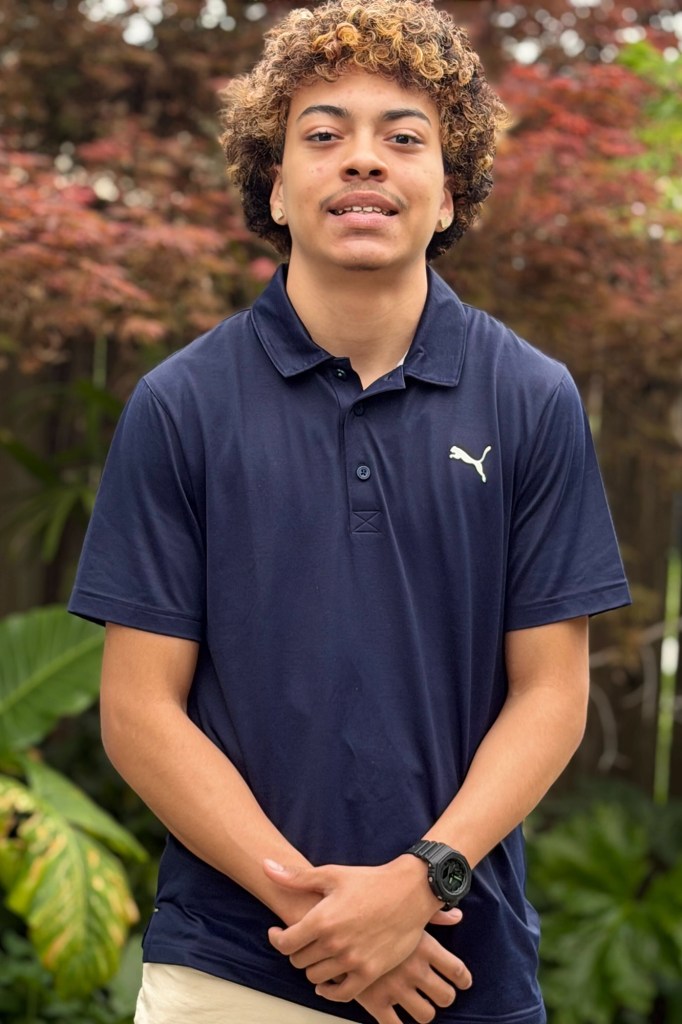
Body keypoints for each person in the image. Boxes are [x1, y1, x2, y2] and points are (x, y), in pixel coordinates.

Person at [69, 2, 631, 1022]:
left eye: (402, 138)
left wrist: (417, 884)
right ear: (275, 187)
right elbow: (139, 712)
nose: (363, 160)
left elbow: (550, 694)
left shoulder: (530, 397)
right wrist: (322, 915)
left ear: (449, 189)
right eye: (323, 136)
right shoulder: (181, 406)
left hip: (462, 966)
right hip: (229, 970)